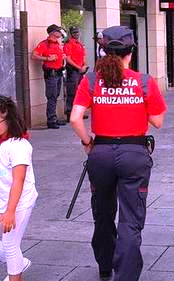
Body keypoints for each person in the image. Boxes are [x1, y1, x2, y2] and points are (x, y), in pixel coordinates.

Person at [69, 26, 166, 281]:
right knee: (131, 218)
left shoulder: (91, 80)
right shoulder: (144, 81)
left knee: (102, 212)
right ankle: (126, 275)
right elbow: (158, 121)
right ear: (130, 52)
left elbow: (75, 118)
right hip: (134, 153)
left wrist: (88, 141)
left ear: (103, 51)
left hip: (100, 152)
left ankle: (104, 265)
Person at [0, 95, 38, 281]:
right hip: (3, 199)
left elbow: (19, 180)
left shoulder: (19, 146)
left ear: (8, 118)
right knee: (8, 246)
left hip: (19, 202)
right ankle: (19, 262)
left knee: (10, 243)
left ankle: (15, 276)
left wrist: (10, 211)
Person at [31, 24, 67, 129]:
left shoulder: (57, 44)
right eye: (58, 31)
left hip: (59, 72)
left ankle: (54, 117)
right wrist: (47, 59)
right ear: (52, 32)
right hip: (51, 74)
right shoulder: (45, 44)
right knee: (51, 96)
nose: (60, 33)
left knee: (55, 96)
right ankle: (51, 120)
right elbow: (33, 55)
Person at [64, 26, 88, 122]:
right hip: (73, 71)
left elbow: (83, 57)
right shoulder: (69, 44)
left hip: (80, 71)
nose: (76, 34)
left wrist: (84, 66)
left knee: (79, 93)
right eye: (74, 33)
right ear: (71, 34)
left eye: (77, 32)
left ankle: (78, 113)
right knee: (72, 93)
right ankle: (70, 114)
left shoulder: (79, 44)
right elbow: (68, 59)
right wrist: (79, 68)